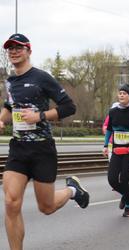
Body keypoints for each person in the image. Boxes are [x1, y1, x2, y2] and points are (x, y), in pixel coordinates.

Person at [0, 33, 89, 250]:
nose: (13, 51)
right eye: (10, 48)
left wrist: (40, 116)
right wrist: (1, 120)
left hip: (42, 150)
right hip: (18, 149)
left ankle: (73, 191)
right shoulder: (10, 82)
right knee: (11, 203)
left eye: (18, 47)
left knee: (46, 207)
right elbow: (10, 106)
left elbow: (69, 107)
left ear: (29, 51)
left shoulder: (42, 77)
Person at [102, 84, 129, 217]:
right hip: (116, 149)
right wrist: (105, 146)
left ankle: (128, 206)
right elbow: (109, 130)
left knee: (124, 180)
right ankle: (126, 195)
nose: (121, 95)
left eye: (124, 93)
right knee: (112, 180)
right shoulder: (113, 112)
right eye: (120, 93)